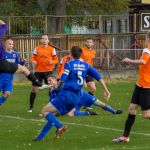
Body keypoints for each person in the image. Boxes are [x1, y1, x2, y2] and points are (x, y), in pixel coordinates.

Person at [33, 46, 110, 141]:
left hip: (66, 95)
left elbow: (63, 79)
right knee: (51, 114)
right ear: (80, 54)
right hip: (76, 98)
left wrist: (57, 86)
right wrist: (106, 90)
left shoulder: (69, 64)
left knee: (45, 111)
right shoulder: (86, 65)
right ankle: (40, 137)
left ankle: (60, 126)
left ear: (71, 53)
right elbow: (99, 77)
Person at [112, 31, 150, 143]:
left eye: (146, 37)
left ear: (148, 39)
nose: (145, 40)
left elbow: (143, 61)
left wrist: (129, 60)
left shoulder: (147, 51)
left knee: (146, 115)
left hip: (146, 87)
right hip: (139, 85)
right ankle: (125, 136)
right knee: (132, 109)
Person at [48, 75, 122, 116]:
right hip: (74, 101)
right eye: (48, 81)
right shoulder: (52, 91)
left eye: (50, 80)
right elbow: (52, 103)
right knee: (70, 114)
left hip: (83, 96)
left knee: (100, 104)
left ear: (55, 80)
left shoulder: (63, 83)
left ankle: (114, 111)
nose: (49, 82)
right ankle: (88, 113)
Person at [0, 19, 42, 87]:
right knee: (24, 69)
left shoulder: (14, 53)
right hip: (2, 63)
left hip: (4, 65)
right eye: (9, 44)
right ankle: (39, 84)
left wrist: (21, 62)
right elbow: (4, 25)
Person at [28, 33, 59, 112]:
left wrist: (52, 62)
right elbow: (32, 58)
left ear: (48, 40)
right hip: (38, 71)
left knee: (51, 89)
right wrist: (33, 61)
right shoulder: (37, 48)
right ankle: (31, 107)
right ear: (41, 40)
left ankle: (52, 106)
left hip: (49, 72)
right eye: (43, 38)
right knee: (34, 89)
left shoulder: (52, 49)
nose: (44, 40)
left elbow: (56, 60)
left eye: (45, 39)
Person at [0, 38, 25, 105]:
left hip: (9, 78)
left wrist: (22, 62)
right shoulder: (2, 54)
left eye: (12, 44)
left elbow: (17, 65)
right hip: (1, 76)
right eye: (9, 44)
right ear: (5, 44)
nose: (11, 45)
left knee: (7, 93)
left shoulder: (15, 54)